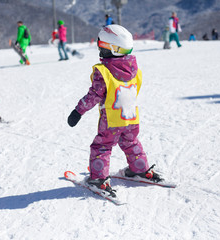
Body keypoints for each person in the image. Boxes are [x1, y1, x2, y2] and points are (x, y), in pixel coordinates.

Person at [67, 24, 163, 196]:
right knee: (131, 143)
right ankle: (140, 169)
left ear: (113, 49)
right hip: (131, 118)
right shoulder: (135, 71)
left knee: (102, 147)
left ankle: (98, 179)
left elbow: (93, 96)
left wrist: (77, 112)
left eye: (102, 48)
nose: (99, 51)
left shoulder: (104, 71)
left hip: (111, 121)